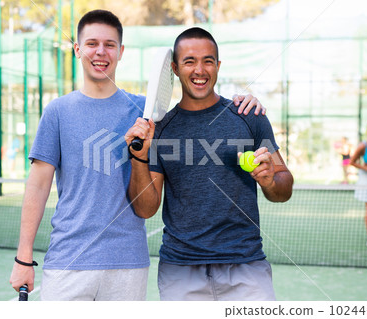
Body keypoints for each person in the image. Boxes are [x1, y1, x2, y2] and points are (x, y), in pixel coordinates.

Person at [9, 10, 267, 301]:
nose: (100, 52)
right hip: (68, 262)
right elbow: (38, 185)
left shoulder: (149, 113)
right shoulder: (57, 112)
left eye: (109, 44)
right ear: (77, 49)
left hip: (129, 265)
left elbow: (197, 112)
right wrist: (23, 258)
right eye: (92, 43)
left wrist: (244, 102)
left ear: (121, 52)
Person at [125, 27, 293, 301]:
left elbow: (284, 188)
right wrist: (139, 157)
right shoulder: (160, 129)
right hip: (180, 272)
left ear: (218, 66)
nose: (199, 70)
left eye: (208, 61)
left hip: (246, 268)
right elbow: (146, 209)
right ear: (175, 69)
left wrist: (271, 180)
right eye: (189, 61)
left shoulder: (249, 116)